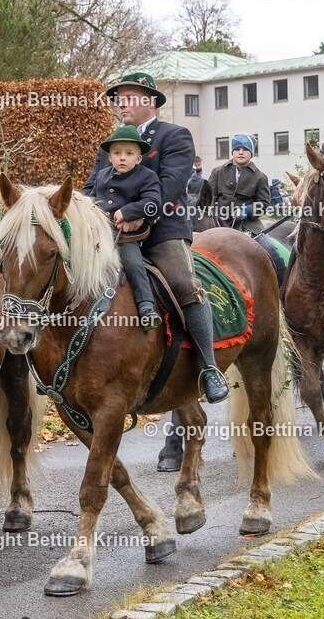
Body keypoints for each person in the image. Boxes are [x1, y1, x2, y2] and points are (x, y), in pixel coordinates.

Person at [92, 73, 230, 420]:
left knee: (184, 284)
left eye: (128, 97)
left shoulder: (174, 136)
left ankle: (209, 367)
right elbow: (91, 187)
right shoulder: (110, 143)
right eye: (118, 98)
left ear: (150, 101)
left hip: (163, 230)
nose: (120, 103)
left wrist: (140, 213)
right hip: (113, 232)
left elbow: (171, 183)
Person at [82, 125, 163, 330]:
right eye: (117, 153)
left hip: (125, 237)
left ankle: (146, 306)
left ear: (139, 158)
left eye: (129, 153)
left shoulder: (147, 176)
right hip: (98, 235)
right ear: (109, 157)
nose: (122, 158)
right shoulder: (101, 176)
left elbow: (154, 203)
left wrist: (128, 212)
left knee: (134, 263)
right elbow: (90, 199)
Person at [204, 134, 271, 233]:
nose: (240, 152)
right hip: (218, 224)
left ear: (251, 153)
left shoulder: (260, 177)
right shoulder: (217, 172)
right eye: (237, 149)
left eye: (245, 149)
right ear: (232, 152)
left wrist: (246, 211)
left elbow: (263, 204)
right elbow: (209, 198)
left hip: (247, 225)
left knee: (268, 246)